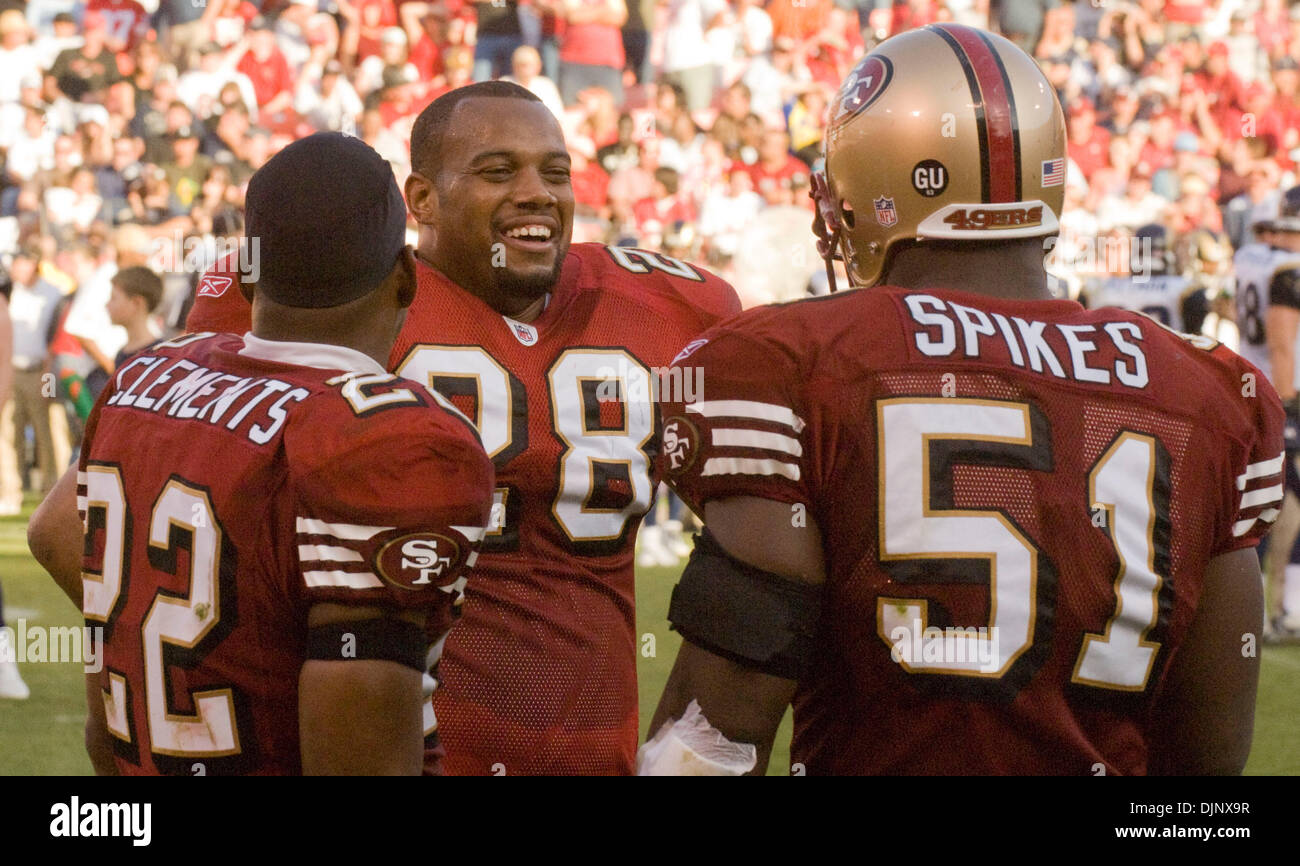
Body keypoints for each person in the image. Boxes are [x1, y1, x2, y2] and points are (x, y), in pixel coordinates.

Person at [646, 24, 1278, 775]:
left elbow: (712, 737)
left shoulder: (795, 362)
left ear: (863, 190)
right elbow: (1207, 764)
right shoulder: (1211, 391)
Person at [184, 81, 742, 774]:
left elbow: (758, 560)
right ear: (420, 200)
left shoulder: (669, 305)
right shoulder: (333, 294)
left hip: (597, 754)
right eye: (498, 171)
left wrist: (691, 751)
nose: (537, 192)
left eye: (556, 171)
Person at [26, 132, 496, 775]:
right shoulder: (395, 440)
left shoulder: (146, 377)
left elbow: (101, 723)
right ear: (408, 275)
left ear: (246, 272)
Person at [1233, 192, 1300, 641]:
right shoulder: (1286, 269)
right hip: (1280, 392)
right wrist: (1288, 402)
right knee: (1277, 505)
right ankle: (1271, 607)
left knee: (1266, 503)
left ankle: (1276, 607)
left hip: (1251, 386)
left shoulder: (1249, 258)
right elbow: (1280, 339)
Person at [105, 265, 164, 368]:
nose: (107, 305)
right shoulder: (122, 354)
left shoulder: (159, 355)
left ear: (137, 303)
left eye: (113, 298)